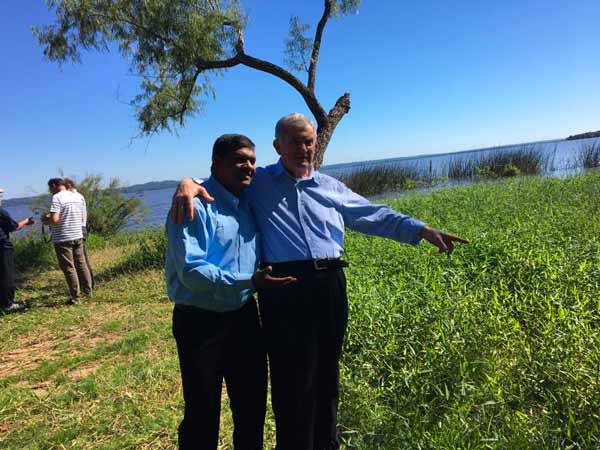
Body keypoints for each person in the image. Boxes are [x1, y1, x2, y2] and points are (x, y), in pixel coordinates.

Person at [172, 114, 468, 450]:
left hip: (330, 285)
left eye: (309, 141)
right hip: (285, 287)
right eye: (295, 142)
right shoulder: (259, 182)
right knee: (290, 378)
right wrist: (187, 183)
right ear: (278, 146)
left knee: (327, 373)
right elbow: (219, 179)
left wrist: (421, 229)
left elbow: (373, 214)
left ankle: (326, 443)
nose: (304, 148)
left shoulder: (330, 186)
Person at [165, 134, 296, 450]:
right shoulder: (195, 204)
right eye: (239, 160)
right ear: (217, 164)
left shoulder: (249, 200)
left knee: (252, 408)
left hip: (244, 318)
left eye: (252, 160)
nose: (248, 166)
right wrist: (249, 281)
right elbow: (191, 271)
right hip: (200, 322)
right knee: (202, 411)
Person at [44, 178, 92, 304]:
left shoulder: (57, 197)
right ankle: (88, 292)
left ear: (54, 186)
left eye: (49, 188)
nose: (49, 191)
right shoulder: (77, 196)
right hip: (77, 235)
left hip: (63, 237)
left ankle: (76, 297)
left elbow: (54, 219)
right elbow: (81, 216)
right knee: (81, 264)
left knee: (69, 268)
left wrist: (45, 220)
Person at [0, 187, 35, 312]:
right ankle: (7, 303)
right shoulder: (2, 212)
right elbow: (13, 226)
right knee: (7, 274)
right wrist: (26, 221)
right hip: (3, 246)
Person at [63, 177, 94, 288]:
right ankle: (86, 285)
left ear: (68, 186)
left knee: (81, 260)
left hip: (79, 229)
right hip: (80, 228)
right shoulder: (79, 196)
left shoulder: (75, 197)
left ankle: (88, 285)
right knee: (80, 260)